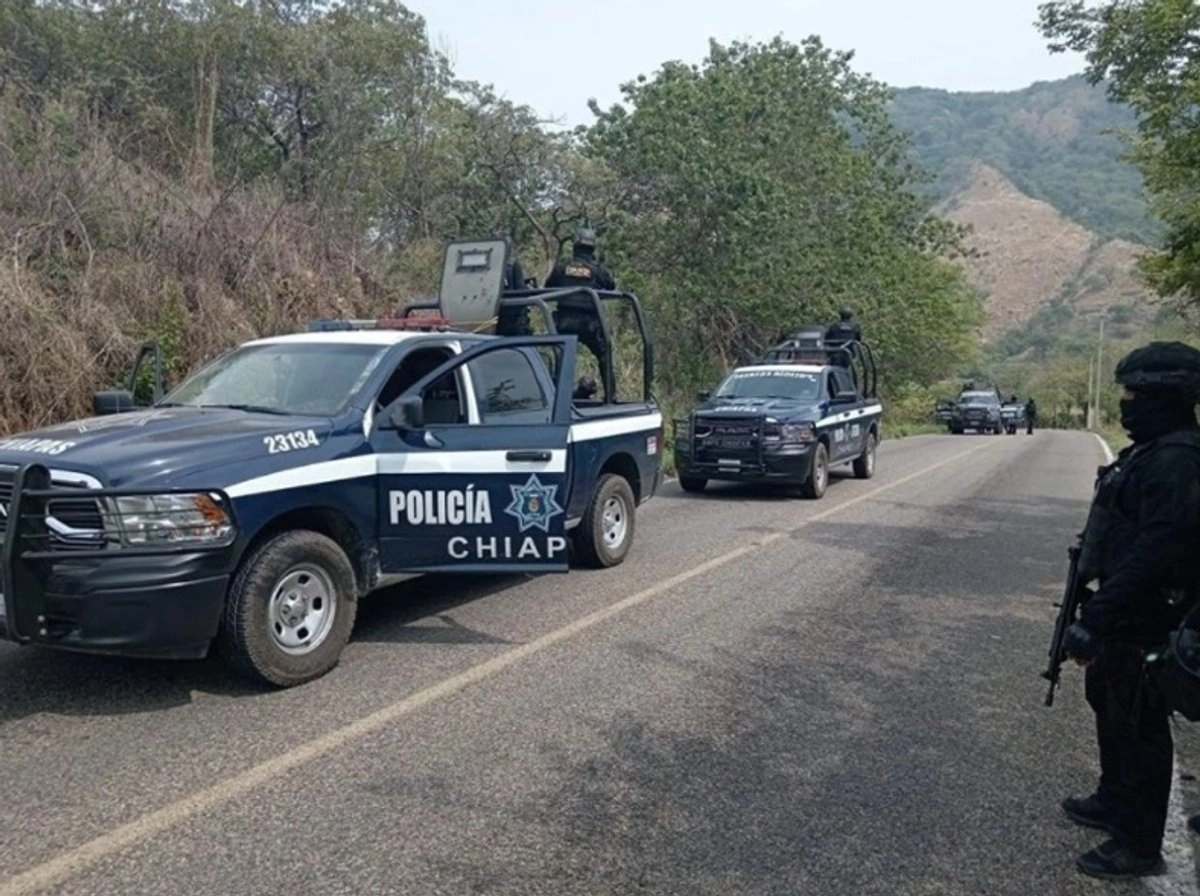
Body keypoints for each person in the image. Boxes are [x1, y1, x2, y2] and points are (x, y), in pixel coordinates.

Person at [1060, 341, 1200, 880]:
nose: (1127, 403)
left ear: (1168, 398)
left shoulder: (1178, 461)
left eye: (1137, 393)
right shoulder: (1152, 452)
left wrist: (1094, 620)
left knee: (1138, 722)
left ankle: (1139, 844)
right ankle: (1114, 800)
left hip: (1149, 617)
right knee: (1110, 703)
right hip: (1125, 611)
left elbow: (1158, 554)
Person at [544, 226, 616, 397]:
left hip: (564, 322)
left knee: (559, 357)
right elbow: (611, 285)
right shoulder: (597, 270)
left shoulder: (562, 267)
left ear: (575, 245)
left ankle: (555, 394)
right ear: (593, 247)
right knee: (604, 353)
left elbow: (548, 287)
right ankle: (611, 396)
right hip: (590, 324)